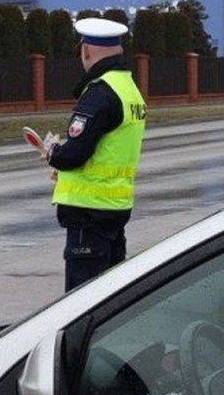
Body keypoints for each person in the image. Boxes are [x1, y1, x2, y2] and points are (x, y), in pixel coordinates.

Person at [42, 18, 146, 292]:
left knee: (82, 307)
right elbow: (107, 151)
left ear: (86, 51)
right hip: (114, 210)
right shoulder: (130, 90)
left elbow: (74, 154)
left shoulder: (100, 92)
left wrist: (53, 152)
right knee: (109, 302)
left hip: (90, 218)